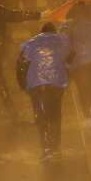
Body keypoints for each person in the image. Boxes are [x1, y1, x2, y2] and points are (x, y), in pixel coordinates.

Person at [17, 23, 72, 161]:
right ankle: (56, 148)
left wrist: (23, 84)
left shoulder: (30, 43)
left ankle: (46, 148)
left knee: (41, 115)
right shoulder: (62, 40)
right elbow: (71, 56)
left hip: (36, 84)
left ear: (41, 32)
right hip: (57, 83)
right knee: (55, 115)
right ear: (54, 31)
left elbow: (21, 64)